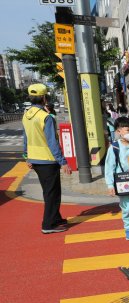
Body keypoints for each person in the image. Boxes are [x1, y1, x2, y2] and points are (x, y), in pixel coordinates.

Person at [21, 83, 71, 234]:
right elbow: (52, 142)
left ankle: (55, 218)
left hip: (35, 159)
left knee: (50, 191)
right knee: (52, 193)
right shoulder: (45, 117)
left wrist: (27, 157)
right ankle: (48, 224)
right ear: (44, 98)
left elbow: (25, 138)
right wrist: (63, 162)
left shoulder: (26, 115)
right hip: (48, 160)